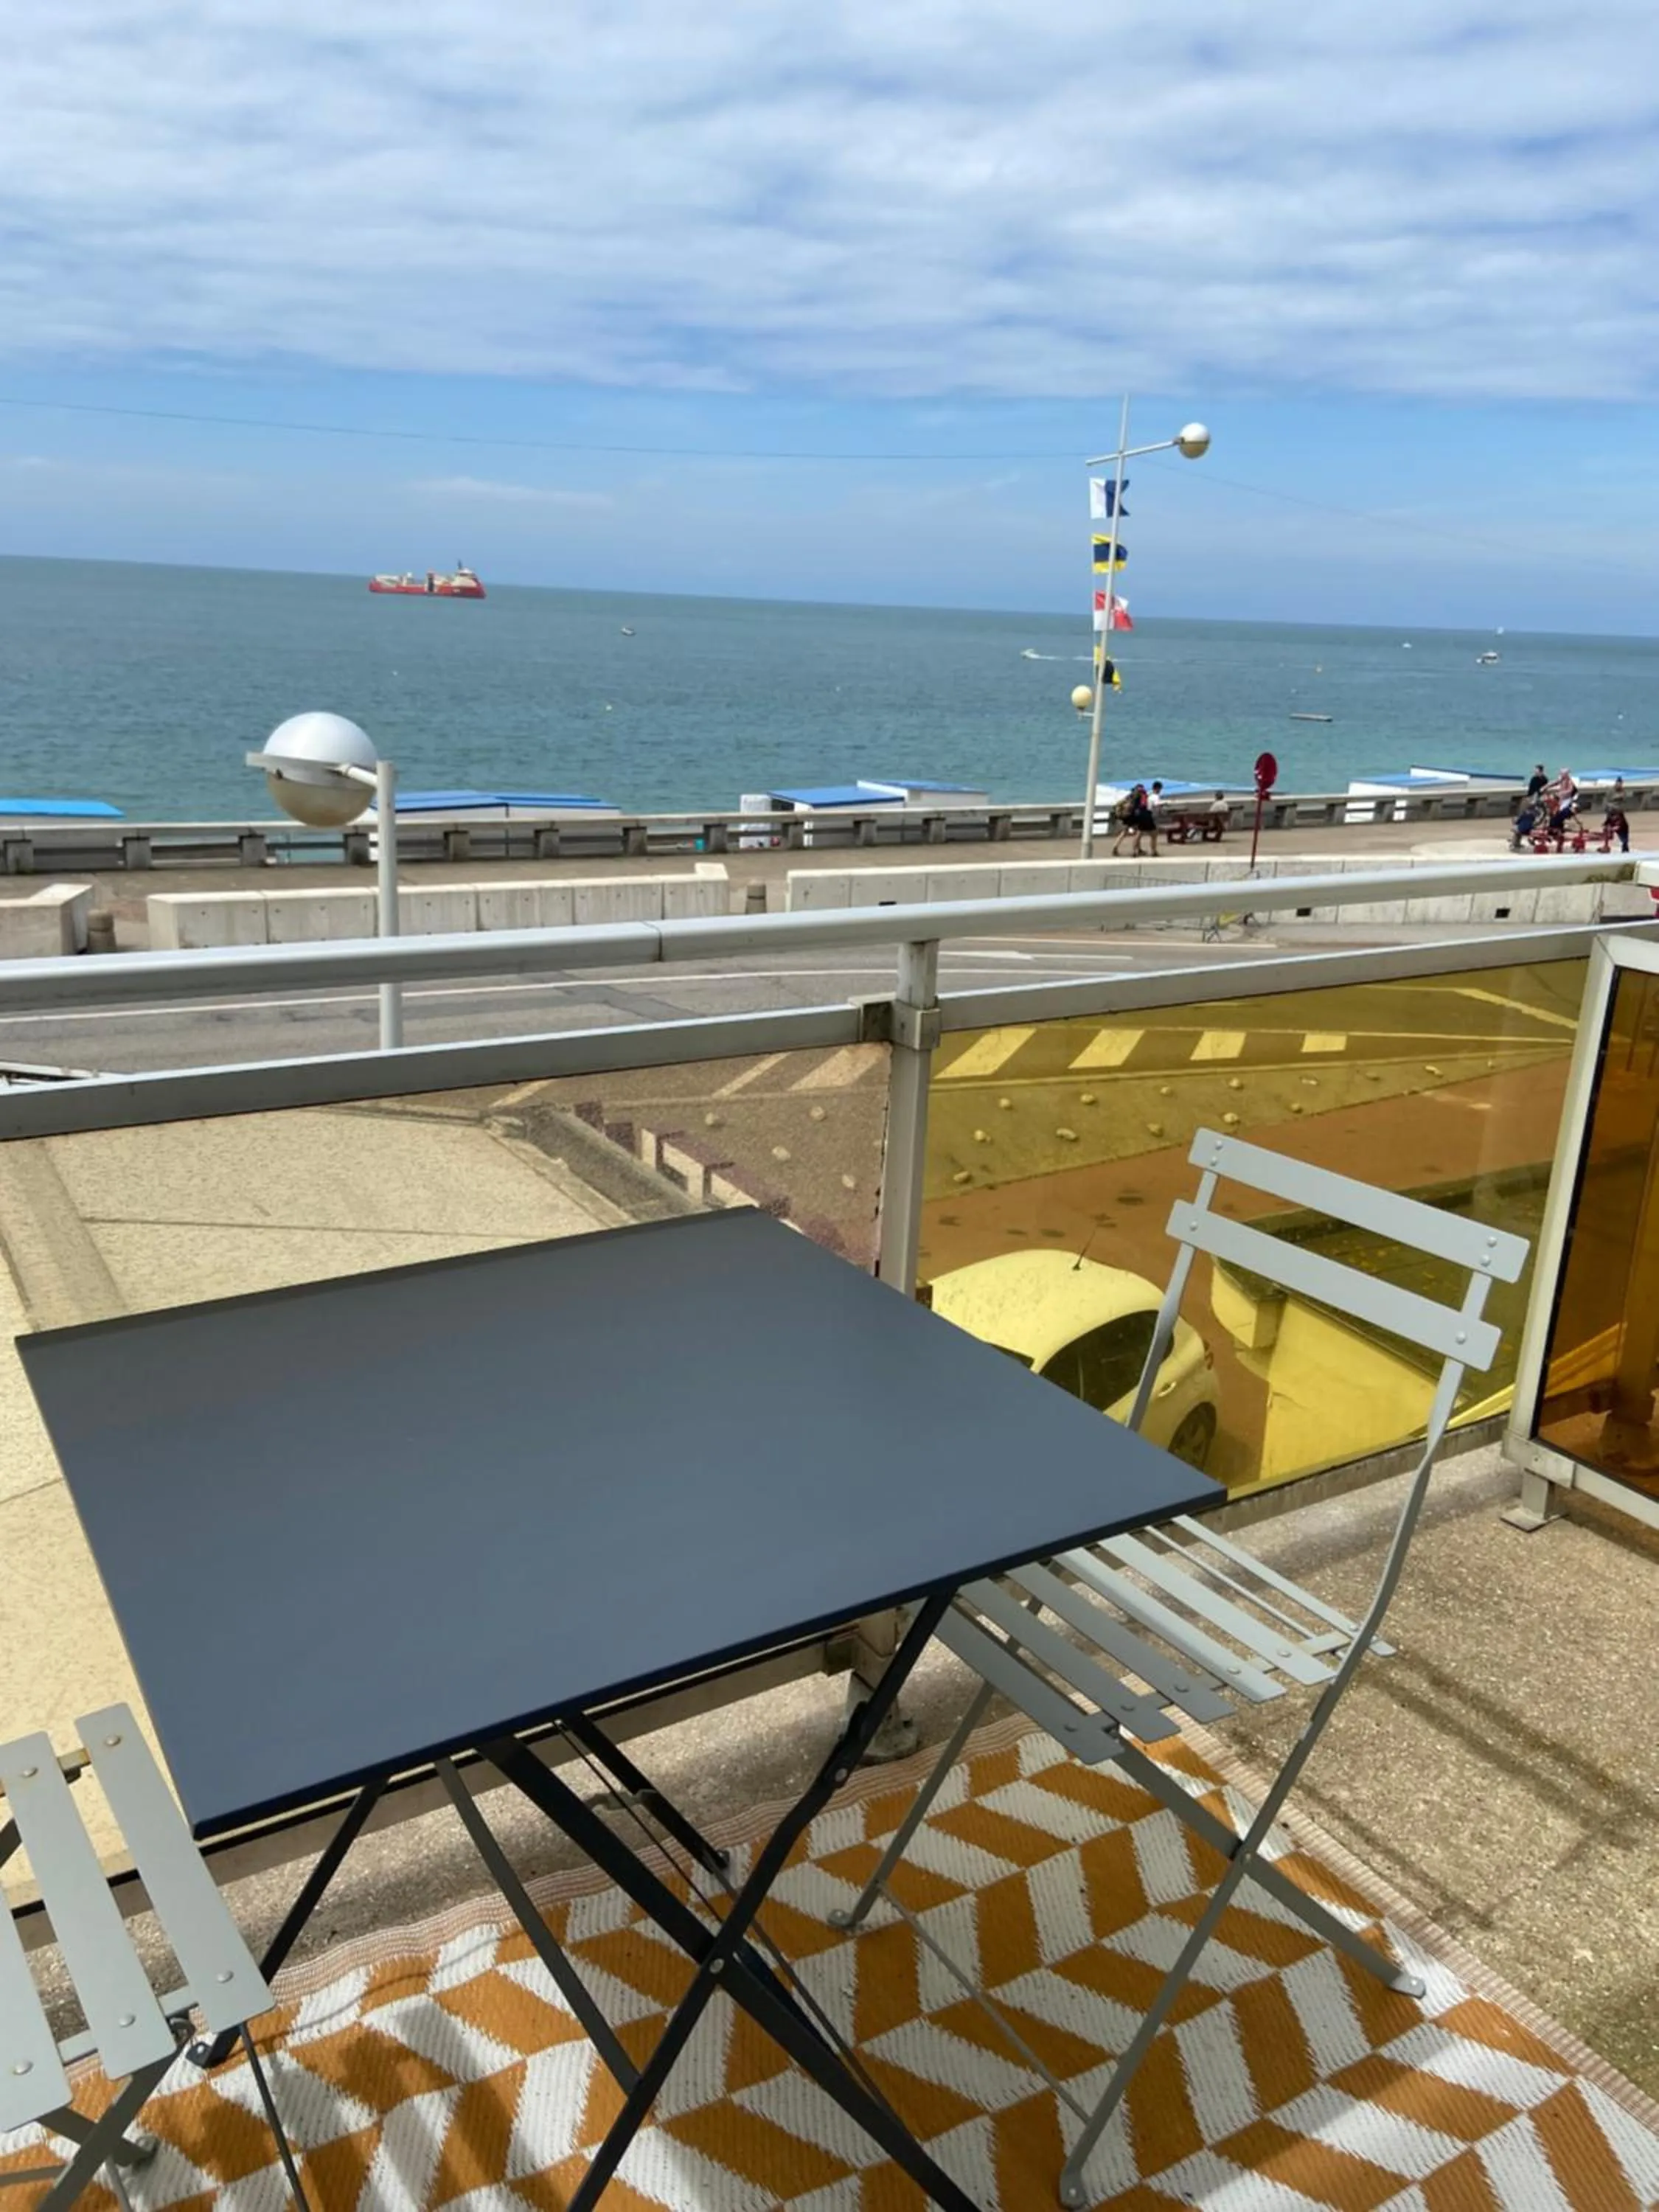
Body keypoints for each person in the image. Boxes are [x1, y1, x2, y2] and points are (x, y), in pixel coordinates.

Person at [1604, 776, 1631, 854]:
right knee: (1616, 828)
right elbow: (1607, 802)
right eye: (1618, 783)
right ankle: (1622, 843)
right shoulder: (1611, 791)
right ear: (1616, 783)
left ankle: (1625, 844)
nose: (1619, 785)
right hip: (1612, 813)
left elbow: (1625, 800)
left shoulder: (1623, 791)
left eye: (1621, 784)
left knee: (1625, 828)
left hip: (1620, 813)